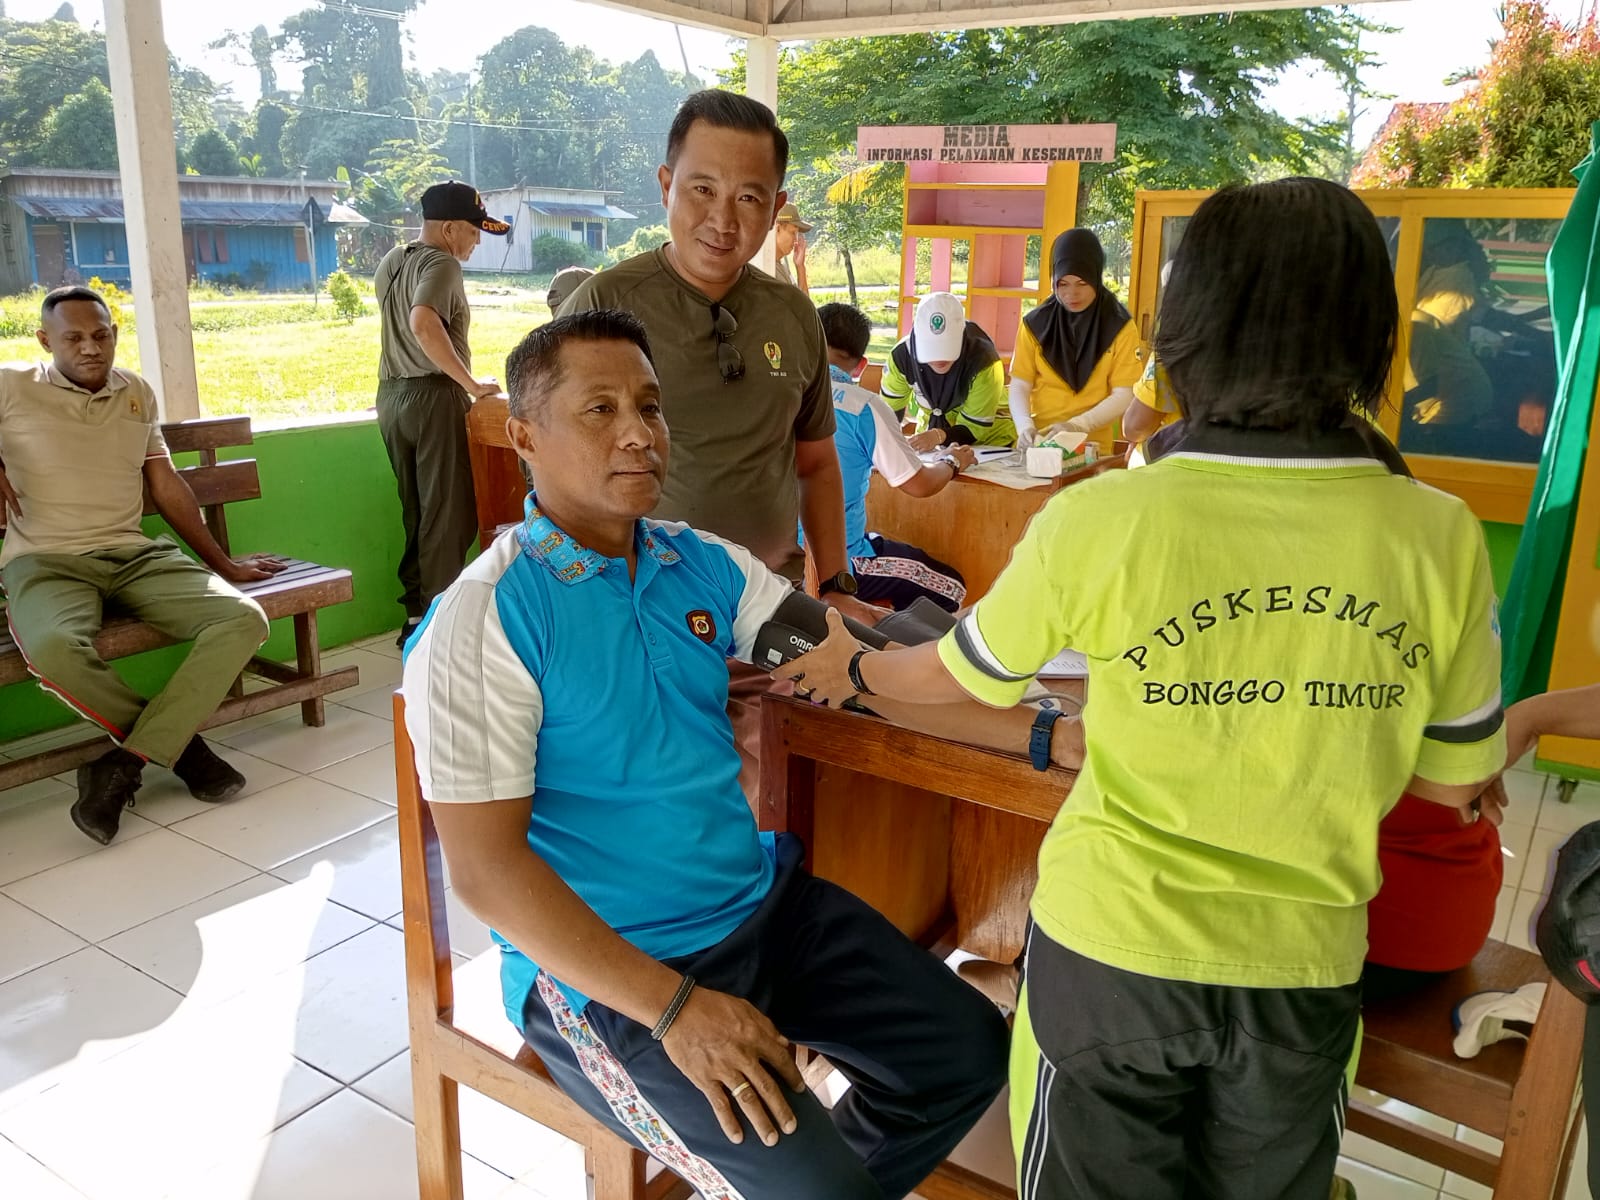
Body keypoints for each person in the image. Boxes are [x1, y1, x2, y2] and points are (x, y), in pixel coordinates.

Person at [780, 178, 1508, 1200]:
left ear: (1189, 326)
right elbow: (1445, 785)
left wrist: (850, 662)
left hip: (1109, 960)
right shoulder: (1438, 534)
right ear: (1368, 332)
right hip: (1300, 974)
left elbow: (953, 673)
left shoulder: (1106, 517)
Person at [401, 310, 1057, 1200]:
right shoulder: (488, 618)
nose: (639, 433)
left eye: (650, 406)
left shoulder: (700, 565)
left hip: (756, 908)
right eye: (599, 410)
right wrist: (675, 1008)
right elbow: (485, 875)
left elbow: (857, 671)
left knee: (967, 1057)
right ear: (525, 436)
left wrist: (1049, 731)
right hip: (610, 977)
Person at [558, 89, 874, 800]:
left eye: (750, 198)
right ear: (667, 184)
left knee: (799, 793)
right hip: (638, 617)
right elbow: (552, 473)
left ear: (776, 206)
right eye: (702, 188)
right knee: (668, 803)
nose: (723, 220)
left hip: (768, 609)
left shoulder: (792, 314)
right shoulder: (605, 307)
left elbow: (816, 464)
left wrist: (839, 584)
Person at [0, 286, 285, 844]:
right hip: (46, 562)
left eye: (101, 335)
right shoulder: (11, 385)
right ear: (44, 339)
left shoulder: (135, 391)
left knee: (243, 619)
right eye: (74, 337)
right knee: (56, 650)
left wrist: (223, 564)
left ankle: (124, 764)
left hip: (134, 554)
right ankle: (185, 752)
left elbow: (167, 485)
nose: (90, 348)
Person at [374, 180, 509, 649]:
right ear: (449, 228)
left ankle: (414, 615)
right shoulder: (442, 262)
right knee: (447, 515)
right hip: (433, 399)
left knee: (415, 510)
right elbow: (422, 321)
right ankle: (441, 625)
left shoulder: (394, 262)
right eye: (473, 231)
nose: (476, 241)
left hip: (391, 398)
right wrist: (470, 384)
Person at [813, 302, 970, 613]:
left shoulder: (779, 397)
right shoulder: (863, 407)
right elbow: (919, 485)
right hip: (842, 563)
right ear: (860, 366)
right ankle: (899, 655)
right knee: (952, 586)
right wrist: (951, 462)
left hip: (778, 556)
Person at [1009, 228, 1142, 455]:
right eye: (1063, 284)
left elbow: (1125, 393)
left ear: (1096, 277)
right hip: (1038, 444)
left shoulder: (1119, 326)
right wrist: (1024, 428)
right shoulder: (1034, 324)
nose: (1072, 294)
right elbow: (1020, 383)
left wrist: (1077, 425)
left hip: (1092, 448)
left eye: (1082, 283)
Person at [881, 293, 1013, 450]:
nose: (939, 359)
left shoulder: (984, 361)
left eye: (947, 348)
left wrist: (938, 436)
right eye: (931, 349)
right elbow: (889, 413)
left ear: (962, 337)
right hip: (929, 443)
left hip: (989, 444)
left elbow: (975, 427)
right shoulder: (901, 357)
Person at [773, 202, 811, 293]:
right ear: (777, 229)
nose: (796, 240)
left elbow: (803, 305)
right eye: (793, 233)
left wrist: (800, 267)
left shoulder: (781, 268)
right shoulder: (765, 268)